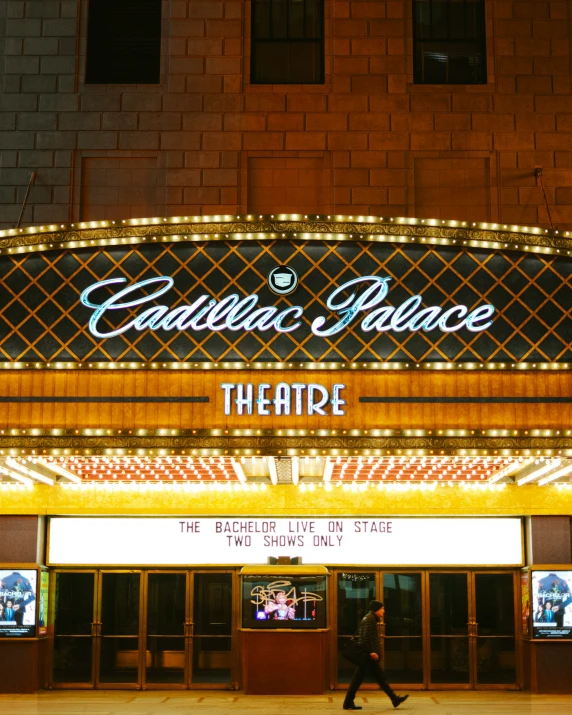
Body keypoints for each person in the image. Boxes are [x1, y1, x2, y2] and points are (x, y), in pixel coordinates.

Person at [343, 600, 409, 711]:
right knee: (379, 677)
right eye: (382, 608)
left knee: (363, 678)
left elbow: (367, 638)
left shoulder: (370, 618)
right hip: (368, 656)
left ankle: (348, 701)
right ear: (376, 609)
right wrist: (371, 652)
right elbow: (366, 638)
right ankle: (394, 698)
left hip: (367, 655)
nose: (384, 611)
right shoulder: (369, 620)